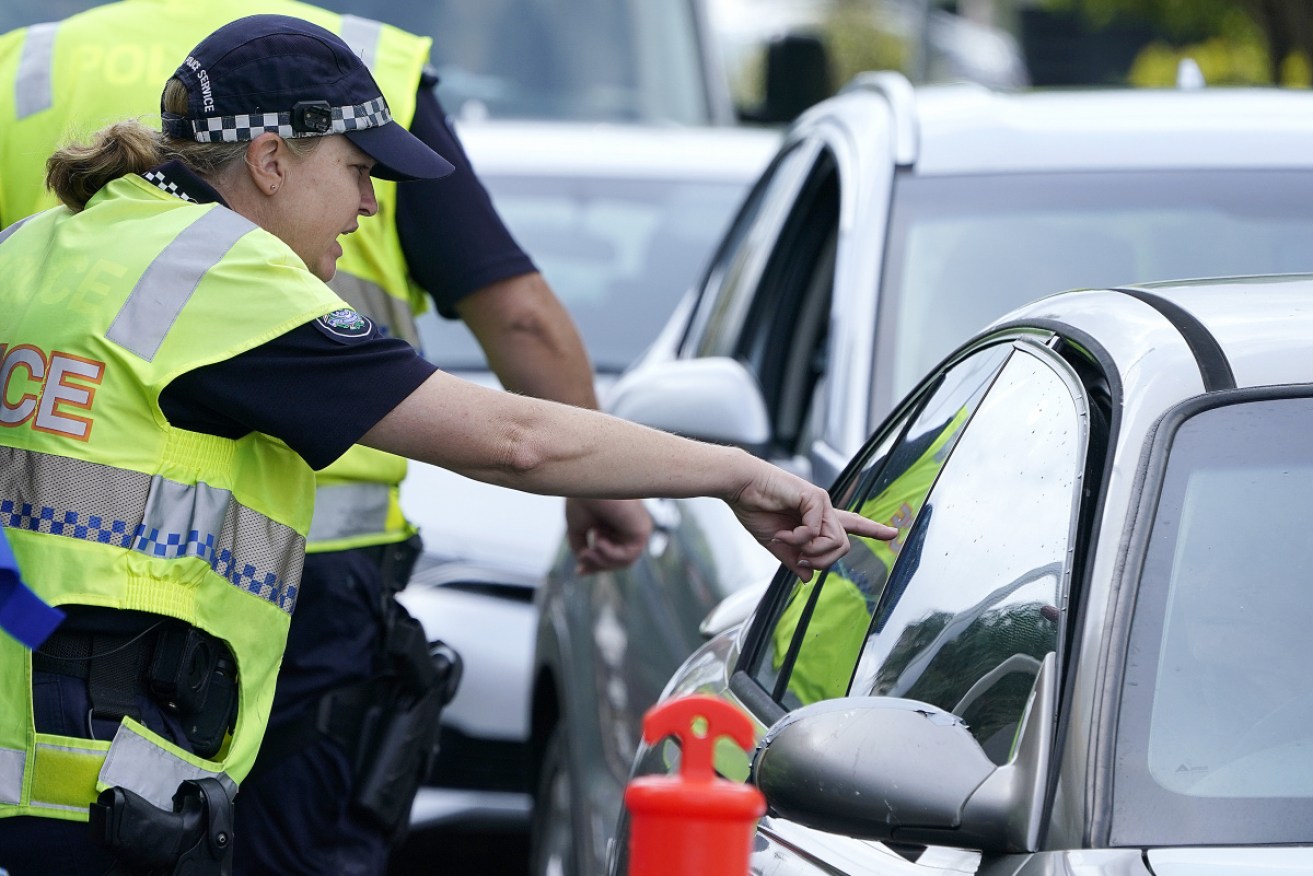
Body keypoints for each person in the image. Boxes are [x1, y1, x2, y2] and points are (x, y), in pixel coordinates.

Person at [0, 14, 897, 875]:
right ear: (270, 159)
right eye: (355, 170)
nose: (365, 207)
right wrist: (734, 474)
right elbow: (511, 442)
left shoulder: (41, 245)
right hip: (92, 789)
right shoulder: (220, 273)